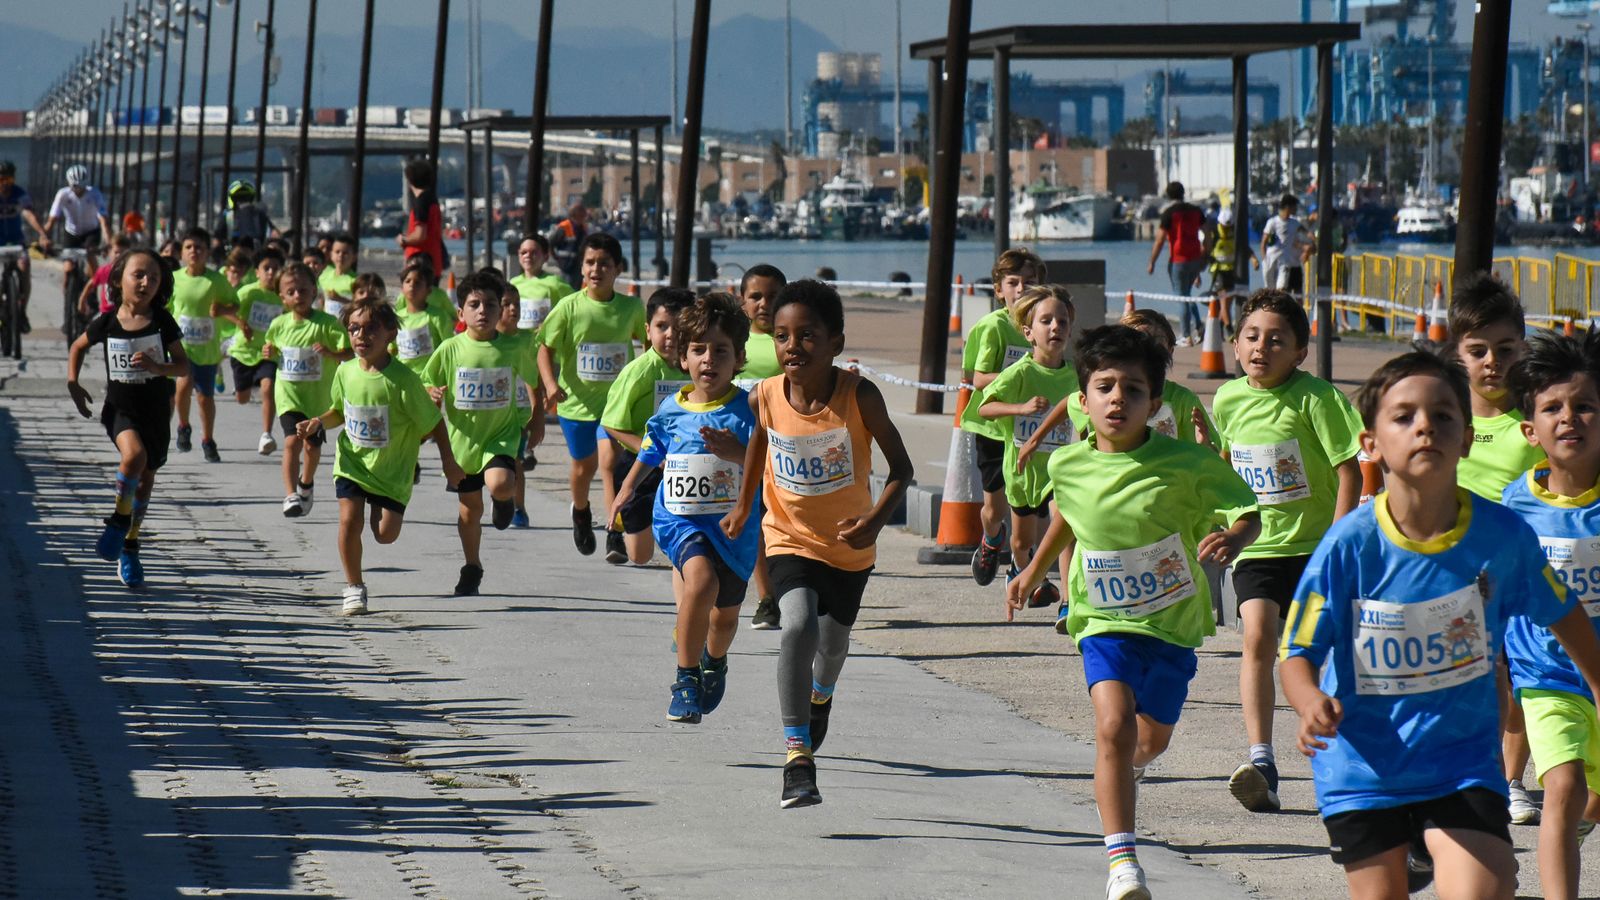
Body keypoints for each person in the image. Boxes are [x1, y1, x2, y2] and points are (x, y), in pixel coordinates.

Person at [1282, 349, 1600, 900]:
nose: (1425, 426)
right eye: (1404, 416)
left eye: (1443, 416)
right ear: (1371, 444)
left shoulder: (1502, 536)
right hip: (1365, 767)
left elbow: (1563, 611)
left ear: (1469, 436)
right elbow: (1297, 652)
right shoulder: (1348, 546)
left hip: (1461, 762)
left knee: (1488, 884)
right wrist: (1309, 701)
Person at [1007, 324, 1260, 900]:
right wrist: (1033, 571)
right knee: (1113, 726)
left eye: (1133, 388)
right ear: (1084, 397)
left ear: (1154, 400)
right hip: (1102, 620)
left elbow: (1248, 506)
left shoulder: (1187, 463)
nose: (1118, 398)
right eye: (1105, 386)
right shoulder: (1066, 464)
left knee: (1150, 740)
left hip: (1172, 623)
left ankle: (1128, 767)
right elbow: (1067, 516)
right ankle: (1123, 863)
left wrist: (1238, 537)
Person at [720, 279, 915, 809]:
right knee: (799, 624)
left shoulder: (859, 395)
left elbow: (903, 469)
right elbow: (760, 438)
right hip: (787, 537)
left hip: (850, 547)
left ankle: (821, 695)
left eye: (808, 336)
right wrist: (743, 504)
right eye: (782, 336)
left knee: (831, 647)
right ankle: (797, 756)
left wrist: (875, 523)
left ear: (836, 343)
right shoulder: (764, 392)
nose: (792, 347)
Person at [1211, 289, 1362, 813]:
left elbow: (1351, 469)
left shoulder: (1318, 398)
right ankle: (1262, 760)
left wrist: (1339, 541)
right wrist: (1223, 526)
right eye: (1252, 337)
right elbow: (1226, 467)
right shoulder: (1228, 400)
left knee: (1316, 655)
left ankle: (1340, 760)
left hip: (1317, 550)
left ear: (1300, 351)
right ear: (1234, 346)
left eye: (1277, 340)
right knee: (1257, 636)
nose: (1262, 347)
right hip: (1257, 545)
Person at [612, 292, 759, 723]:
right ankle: (686, 677)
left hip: (734, 529)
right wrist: (627, 486)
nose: (708, 359)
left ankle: (714, 660)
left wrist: (739, 452)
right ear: (683, 357)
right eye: (698, 350)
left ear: (739, 358)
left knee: (724, 622)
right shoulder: (670, 408)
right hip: (679, 518)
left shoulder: (748, 410)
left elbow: (766, 462)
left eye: (720, 351)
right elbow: (653, 448)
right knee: (699, 580)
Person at [1444, 273, 1552, 828]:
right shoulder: (1445, 418)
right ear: (1457, 352)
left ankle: (1510, 780)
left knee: (1514, 682)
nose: (1492, 362)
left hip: (1519, 574)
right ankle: (1471, 773)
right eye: (1478, 350)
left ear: (1523, 348)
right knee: (1470, 682)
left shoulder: (1537, 422)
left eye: (1506, 349)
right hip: (1452, 573)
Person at [1499, 332, 1600, 900]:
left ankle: (1585, 819)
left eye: (1584, 405)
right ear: (1530, 429)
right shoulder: (1514, 508)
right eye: (1553, 408)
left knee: (1589, 801)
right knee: (1561, 785)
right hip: (1546, 679)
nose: (1570, 419)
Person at [297, 295, 464, 616]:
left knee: (385, 535)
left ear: (390, 333)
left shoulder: (404, 380)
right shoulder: (345, 372)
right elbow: (338, 412)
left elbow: (434, 423)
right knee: (349, 521)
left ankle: (378, 509)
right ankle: (354, 587)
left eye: (371, 328)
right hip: (353, 464)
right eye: (354, 329)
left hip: (392, 472)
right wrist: (319, 421)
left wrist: (449, 462)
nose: (361, 336)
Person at [65, 247, 188, 588]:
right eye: (138, 275)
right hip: (120, 410)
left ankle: (130, 546)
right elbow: (78, 346)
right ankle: (119, 521)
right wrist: (73, 382)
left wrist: (157, 367)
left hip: (156, 411)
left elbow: (183, 365)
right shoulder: (107, 321)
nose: (146, 282)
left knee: (146, 479)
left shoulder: (162, 321)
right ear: (118, 280)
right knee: (133, 456)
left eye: (154, 277)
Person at [423, 272, 541, 596]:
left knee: (501, 482)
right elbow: (425, 381)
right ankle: (472, 566)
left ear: (501, 310)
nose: (483, 311)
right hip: (464, 444)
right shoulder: (449, 349)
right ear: (461, 313)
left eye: (491, 304)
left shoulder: (513, 348)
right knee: (469, 511)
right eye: (474, 304)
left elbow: (533, 381)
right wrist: (431, 391)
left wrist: (538, 417)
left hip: (502, 434)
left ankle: (504, 500)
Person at [537, 232, 647, 557]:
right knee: (583, 468)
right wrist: (551, 385)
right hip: (575, 405)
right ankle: (581, 511)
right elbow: (545, 349)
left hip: (615, 406)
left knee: (610, 462)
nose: (596, 269)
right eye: (590, 262)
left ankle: (615, 529)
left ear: (617, 269)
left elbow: (649, 343)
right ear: (582, 268)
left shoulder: (631, 307)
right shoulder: (569, 307)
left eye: (604, 264)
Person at [975, 284, 1083, 612]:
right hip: (1022, 471)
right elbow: (984, 407)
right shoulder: (1019, 372)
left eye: (1062, 322)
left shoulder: (1078, 375)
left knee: (1063, 526)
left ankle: (1068, 601)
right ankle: (1019, 567)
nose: (1056, 328)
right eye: (1046, 321)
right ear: (1029, 332)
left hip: (1060, 469)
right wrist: (1020, 409)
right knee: (1022, 543)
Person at [960, 247, 1043, 589]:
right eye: (1013, 282)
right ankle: (991, 539)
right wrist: (1020, 377)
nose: (1021, 288)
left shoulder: (1045, 324)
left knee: (1032, 498)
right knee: (995, 508)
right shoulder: (993, 327)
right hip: (994, 425)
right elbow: (977, 378)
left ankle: (1024, 560)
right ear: (999, 290)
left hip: (1031, 426)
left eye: (1030, 282)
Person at [599, 287, 695, 563]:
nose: (670, 335)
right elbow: (612, 424)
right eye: (662, 326)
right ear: (647, 330)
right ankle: (624, 526)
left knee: (688, 540)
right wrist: (651, 452)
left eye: (679, 328)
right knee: (640, 556)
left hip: (686, 464)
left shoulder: (699, 367)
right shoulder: (640, 371)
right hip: (640, 465)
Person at [263, 261, 351, 517]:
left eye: (303, 290)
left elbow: (348, 353)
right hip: (289, 396)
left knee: (312, 447)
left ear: (315, 291)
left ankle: (306, 482)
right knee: (291, 441)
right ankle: (291, 494)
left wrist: (332, 353)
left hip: (318, 400)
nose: (297, 296)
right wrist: (268, 351)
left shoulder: (328, 324)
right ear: (282, 297)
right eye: (291, 292)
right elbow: (271, 348)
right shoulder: (279, 324)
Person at [737, 264, 788, 630]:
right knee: (755, 524)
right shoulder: (736, 343)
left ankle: (796, 591)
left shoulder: (789, 341)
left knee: (785, 522)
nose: (764, 303)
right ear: (742, 301)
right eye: (755, 296)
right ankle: (767, 597)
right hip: (743, 450)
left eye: (773, 296)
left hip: (787, 449)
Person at [170, 227, 242, 463]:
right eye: (189, 247)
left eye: (199, 247)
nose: (194, 252)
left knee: (204, 398)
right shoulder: (175, 279)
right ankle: (183, 426)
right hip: (182, 346)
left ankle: (208, 440)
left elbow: (234, 305)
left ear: (207, 252)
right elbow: (166, 308)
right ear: (182, 252)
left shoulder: (216, 280)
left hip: (207, 350)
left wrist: (222, 310)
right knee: (182, 386)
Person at [486, 271, 544, 530]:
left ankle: (519, 507)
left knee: (516, 462)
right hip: (489, 415)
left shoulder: (528, 340)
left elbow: (534, 379)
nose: (513, 309)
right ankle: (497, 498)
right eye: (507, 304)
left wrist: (537, 412)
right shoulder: (486, 342)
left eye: (517, 305)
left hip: (519, 414)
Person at [228, 247, 285, 455]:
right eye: (266, 268)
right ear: (257, 272)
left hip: (267, 352)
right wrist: (241, 323)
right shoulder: (248, 292)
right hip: (243, 351)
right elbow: (226, 311)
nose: (271, 272)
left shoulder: (283, 296)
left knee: (268, 387)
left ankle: (266, 434)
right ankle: (249, 386)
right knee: (242, 398)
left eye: (275, 268)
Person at [1146, 181, 1208, 346]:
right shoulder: (1196, 211)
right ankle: (1200, 325)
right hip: (1195, 258)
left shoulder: (1169, 213)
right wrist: (1205, 251)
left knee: (1181, 297)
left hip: (1178, 259)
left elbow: (1159, 240)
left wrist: (1152, 262)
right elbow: (1208, 232)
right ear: (1183, 193)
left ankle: (1186, 335)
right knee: (1186, 294)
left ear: (1168, 195)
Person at [41, 165, 111, 309]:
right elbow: (52, 219)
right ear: (69, 184)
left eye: (82, 187)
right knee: (67, 267)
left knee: (91, 255)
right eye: (75, 187)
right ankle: (68, 297)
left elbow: (103, 219)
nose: (79, 190)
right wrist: (44, 237)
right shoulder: (63, 194)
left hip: (91, 231)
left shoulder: (94, 194)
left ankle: (92, 288)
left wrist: (107, 238)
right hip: (71, 232)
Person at [0, 159, 51, 333]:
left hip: (16, 241)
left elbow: (29, 214)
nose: (5, 185)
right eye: (1, 180)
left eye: (9, 181)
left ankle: (22, 310)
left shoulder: (19, 193)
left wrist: (42, 234)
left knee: (25, 268)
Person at [1202, 208, 1258, 337]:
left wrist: (1253, 259)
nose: (1227, 229)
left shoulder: (1235, 234)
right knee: (1224, 303)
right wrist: (1198, 273)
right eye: (1224, 226)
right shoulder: (1214, 234)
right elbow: (1205, 253)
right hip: (1219, 273)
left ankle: (1218, 330)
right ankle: (1230, 331)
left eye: (1229, 227)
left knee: (1226, 304)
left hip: (1232, 273)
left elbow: (1245, 248)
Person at [509, 234, 574, 331]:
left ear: (546, 256)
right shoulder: (512, 283)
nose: (528, 256)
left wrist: (554, 324)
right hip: (518, 343)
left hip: (544, 343)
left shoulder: (555, 283)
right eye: (523, 252)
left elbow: (575, 309)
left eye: (534, 252)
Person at [398, 158, 445, 277]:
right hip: (434, 259)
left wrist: (403, 240)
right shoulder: (432, 199)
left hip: (419, 261)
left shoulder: (421, 202)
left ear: (409, 180)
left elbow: (420, 234)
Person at [1260, 194, 1311, 297]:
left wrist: (1314, 241)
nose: (1296, 209)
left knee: (1281, 290)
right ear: (1288, 207)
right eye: (1294, 206)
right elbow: (1263, 243)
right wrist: (1264, 259)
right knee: (1269, 291)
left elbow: (1307, 233)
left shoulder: (1294, 223)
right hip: (1271, 260)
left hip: (1284, 262)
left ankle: (1280, 312)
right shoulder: (1272, 222)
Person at [81, 232, 133, 319]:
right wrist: (82, 300)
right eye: (116, 252)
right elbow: (90, 285)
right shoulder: (104, 271)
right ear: (109, 252)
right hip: (106, 313)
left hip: (124, 314)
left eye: (123, 253)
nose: (119, 256)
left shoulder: (130, 273)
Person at [546, 202, 591, 287]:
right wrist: (557, 259)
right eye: (583, 213)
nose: (585, 215)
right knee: (566, 290)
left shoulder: (583, 228)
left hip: (578, 266)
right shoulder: (564, 227)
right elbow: (551, 243)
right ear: (576, 214)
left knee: (576, 290)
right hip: (566, 266)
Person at [318, 232, 359, 320]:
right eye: (337, 252)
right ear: (331, 255)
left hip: (346, 324)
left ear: (354, 257)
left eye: (345, 253)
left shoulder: (357, 280)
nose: (340, 255)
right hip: (326, 324)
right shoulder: (323, 276)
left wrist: (339, 298)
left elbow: (361, 305)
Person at [224, 179, 275, 247]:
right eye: (239, 198)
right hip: (232, 254)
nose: (243, 201)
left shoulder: (260, 215)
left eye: (246, 198)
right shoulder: (227, 216)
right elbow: (217, 240)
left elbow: (273, 233)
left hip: (256, 254)